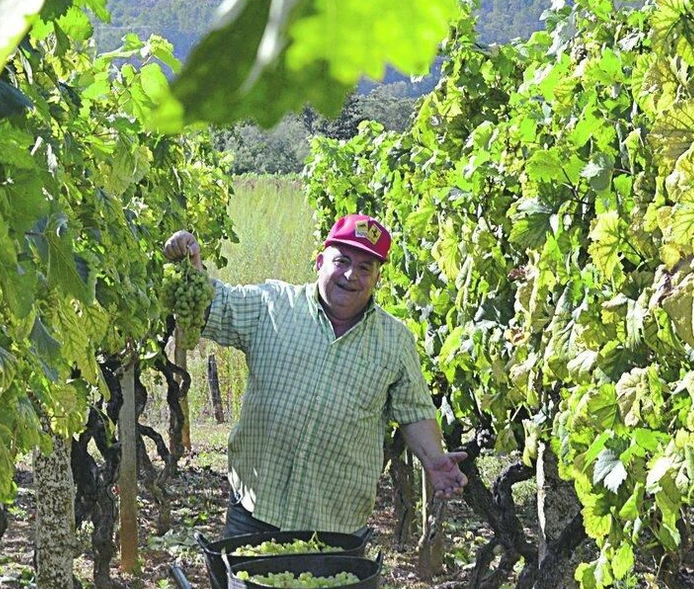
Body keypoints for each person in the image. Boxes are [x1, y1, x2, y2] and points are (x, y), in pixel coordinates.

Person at [162, 213, 466, 540]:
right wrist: (192, 266)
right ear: (320, 262)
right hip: (256, 509)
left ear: (377, 277)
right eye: (342, 261)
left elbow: (415, 412)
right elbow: (211, 306)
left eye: (365, 268)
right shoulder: (272, 305)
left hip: (336, 523)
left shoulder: (395, 341)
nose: (351, 275)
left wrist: (434, 460)